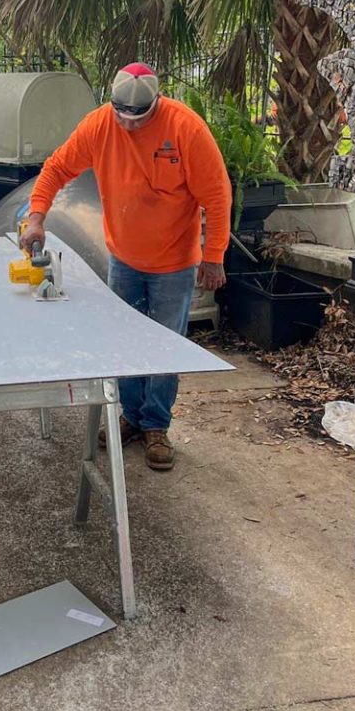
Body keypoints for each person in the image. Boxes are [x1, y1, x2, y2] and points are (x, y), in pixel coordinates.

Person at [22, 62, 231, 471]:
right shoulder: (99, 125)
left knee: (164, 344)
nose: (130, 124)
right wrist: (36, 216)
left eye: (140, 116)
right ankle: (130, 417)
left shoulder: (185, 128)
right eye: (123, 115)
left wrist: (214, 255)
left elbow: (217, 195)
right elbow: (57, 167)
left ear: (157, 102)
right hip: (124, 258)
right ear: (113, 103)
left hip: (174, 261)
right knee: (123, 341)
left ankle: (156, 425)